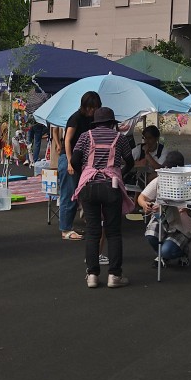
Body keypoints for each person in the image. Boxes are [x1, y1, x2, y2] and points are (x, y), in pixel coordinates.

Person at [71, 106, 135, 288]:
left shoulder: (85, 136)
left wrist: (85, 173)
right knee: (113, 232)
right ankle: (114, 275)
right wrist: (119, 173)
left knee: (93, 232)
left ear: (96, 123)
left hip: (89, 186)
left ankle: (92, 275)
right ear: (111, 123)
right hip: (111, 186)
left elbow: (74, 160)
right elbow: (130, 161)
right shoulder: (120, 138)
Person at [138, 150, 191, 267]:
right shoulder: (160, 180)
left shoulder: (189, 182)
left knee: (167, 250)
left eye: (171, 168)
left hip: (181, 222)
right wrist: (145, 204)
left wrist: (187, 209)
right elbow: (142, 197)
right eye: (167, 167)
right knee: (150, 235)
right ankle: (162, 255)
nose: (168, 170)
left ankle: (180, 252)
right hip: (162, 217)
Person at [59, 91, 101, 241]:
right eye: (89, 107)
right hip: (69, 159)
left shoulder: (93, 120)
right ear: (84, 106)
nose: (92, 110)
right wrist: (70, 161)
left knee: (81, 193)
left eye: (94, 108)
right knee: (69, 193)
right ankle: (65, 230)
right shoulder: (76, 118)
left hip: (82, 160)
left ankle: (70, 225)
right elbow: (67, 140)